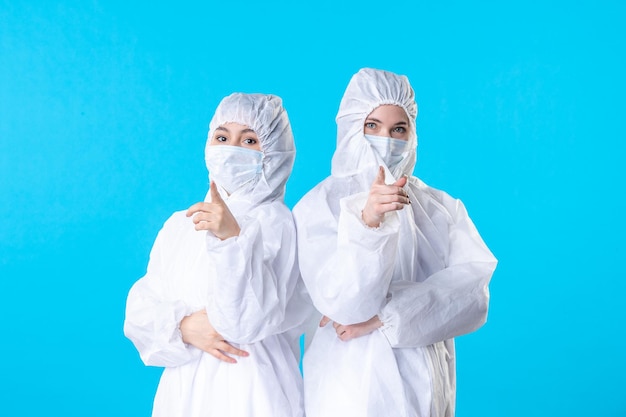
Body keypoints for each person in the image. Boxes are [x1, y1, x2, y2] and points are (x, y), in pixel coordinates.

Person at [292, 68, 498, 417]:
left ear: (413, 134)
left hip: (426, 383)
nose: (385, 138)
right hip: (347, 384)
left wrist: (386, 317)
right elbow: (344, 304)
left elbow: (472, 296)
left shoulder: (440, 207)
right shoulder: (320, 205)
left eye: (398, 129)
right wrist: (368, 222)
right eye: (371, 125)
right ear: (350, 127)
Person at [124, 93, 311, 417]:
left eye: (249, 139)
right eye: (222, 137)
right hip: (183, 391)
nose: (232, 149)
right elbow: (139, 313)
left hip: (253, 389)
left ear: (274, 152)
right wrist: (182, 327)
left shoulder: (277, 223)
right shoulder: (181, 224)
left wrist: (231, 240)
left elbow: (247, 322)